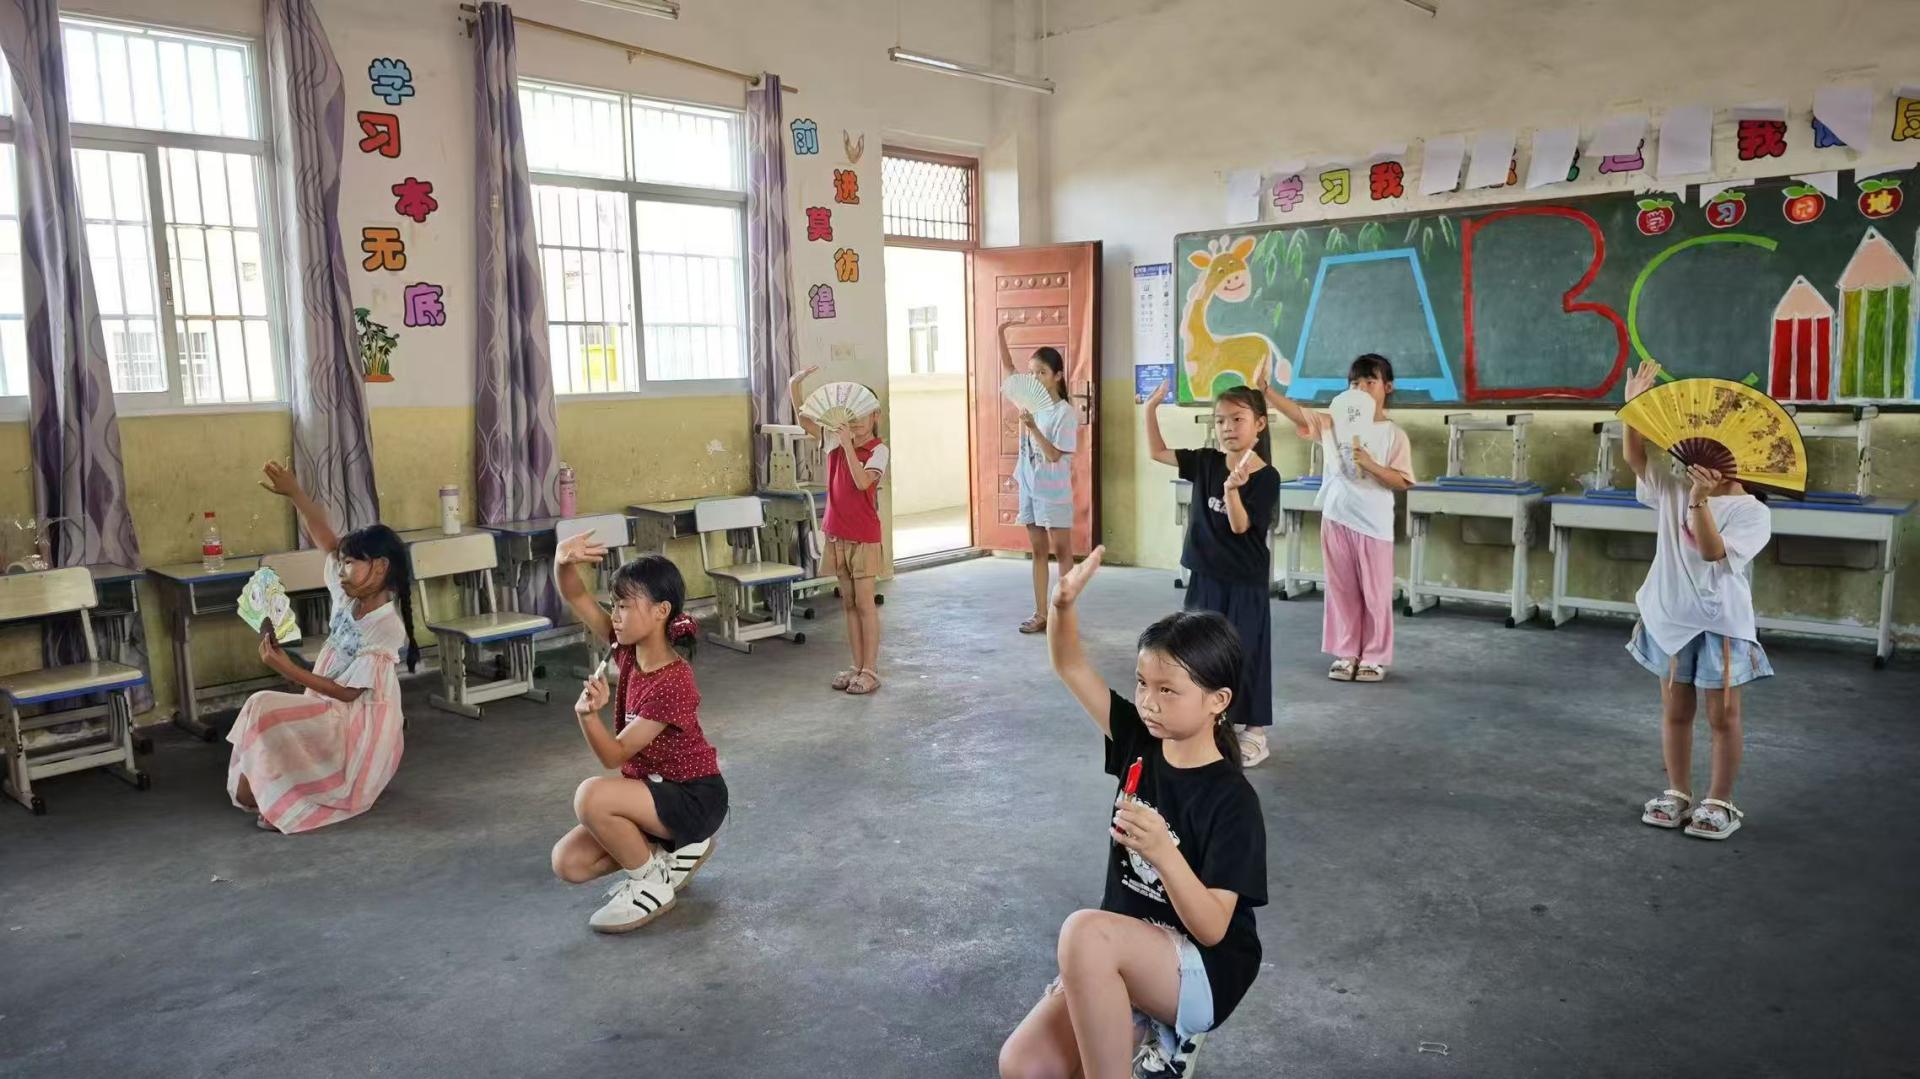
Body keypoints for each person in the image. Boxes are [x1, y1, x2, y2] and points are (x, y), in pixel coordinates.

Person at [1000, 547, 1267, 1079]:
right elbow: (1069, 664)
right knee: (1022, 1067)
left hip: (1202, 972)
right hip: (1128, 952)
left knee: (1083, 933)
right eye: (1143, 683)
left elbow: (1213, 929)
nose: (1148, 701)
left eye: (1169, 690)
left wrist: (1164, 853)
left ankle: (1171, 1032)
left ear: (1218, 701)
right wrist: (1062, 606)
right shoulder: (1138, 740)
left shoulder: (1233, 800)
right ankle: (1133, 1010)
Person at [1622, 359, 1772, 840]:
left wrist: (1700, 499)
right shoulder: (1671, 489)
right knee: (1675, 711)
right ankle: (1678, 793)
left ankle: (1719, 801)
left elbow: (1711, 552)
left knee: (1722, 715)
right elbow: (1636, 458)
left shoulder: (1751, 512)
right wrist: (1633, 408)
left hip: (1719, 623)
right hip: (1670, 616)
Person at [227, 462, 416, 834]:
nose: (340, 570)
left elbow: (348, 693)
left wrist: (287, 669)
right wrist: (296, 493)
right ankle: (275, 790)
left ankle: (291, 795)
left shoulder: (387, 626)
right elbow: (326, 540)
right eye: (341, 564)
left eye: (349, 563)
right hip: (328, 708)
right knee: (260, 719)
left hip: (355, 730)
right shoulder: (348, 596)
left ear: (380, 568)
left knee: (262, 704)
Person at [549, 536, 726, 932]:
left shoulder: (674, 681)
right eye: (614, 605)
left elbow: (614, 756)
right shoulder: (626, 648)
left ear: (661, 611)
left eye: (625, 606)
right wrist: (562, 561)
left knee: (591, 796)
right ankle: (669, 854)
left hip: (694, 797)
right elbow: (575, 594)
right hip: (654, 793)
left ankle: (651, 881)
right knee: (568, 862)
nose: (614, 615)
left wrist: (587, 716)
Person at [1144, 379, 1279, 766]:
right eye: (1220, 420)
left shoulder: (1266, 476)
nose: (1227, 428)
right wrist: (1150, 409)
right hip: (1205, 576)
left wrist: (1232, 490)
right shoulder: (1205, 461)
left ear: (1259, 424)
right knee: (1198, 652)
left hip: (1244, 582)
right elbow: (1156, 451)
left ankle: (1255, 732)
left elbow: (1240, 526)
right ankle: (1214, 725)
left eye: (1237, 419)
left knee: (1246, 652)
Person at [1261, 354, 1415, 682]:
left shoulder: (1394, 435)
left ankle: (1374, 656)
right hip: (1336, 518)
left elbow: (1402, 480)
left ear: (1387, 387)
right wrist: (1266, 391)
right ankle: (1347, 653)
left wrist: (1371, 465)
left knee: (1375, 593)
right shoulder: (1332, 424)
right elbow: (1298, 414)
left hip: (1373, 525)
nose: (1362, 389)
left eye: (1370, 382)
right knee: (1342, 591)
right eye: (1355, 383)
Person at [790, 364, 887, 695]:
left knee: (865, 603)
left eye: (863, 414)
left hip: (864, 535)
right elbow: (803, 420)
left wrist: (847, 445)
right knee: (848, 603)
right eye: (852, 415)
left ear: (875, 415)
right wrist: (794, 386)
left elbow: (861, 482)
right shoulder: (833, 439)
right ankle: (856, 666)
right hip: (836, 531)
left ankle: (870, 670)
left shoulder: (878, 450)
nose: (856, 421)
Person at [997, 320, 1079, 634]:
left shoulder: (1064, 413)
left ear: (1058, 375)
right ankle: (1041, 613)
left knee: (1063, 551)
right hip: (1029, 485)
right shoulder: (1028, 401)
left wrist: (1032, 427)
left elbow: (1055, 455)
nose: (1034, 378)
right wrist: (1000, 334)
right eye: (1032, 372)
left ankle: (1065, 614)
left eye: (1042, 372)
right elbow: (1008, 369)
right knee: (1038, 550)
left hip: (1053, 489)